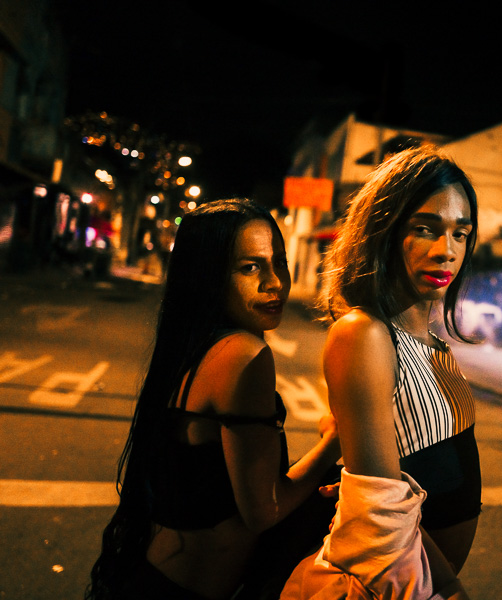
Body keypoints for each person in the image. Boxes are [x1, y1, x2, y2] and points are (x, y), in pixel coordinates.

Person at [85, 198, 342, 600]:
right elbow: (264, 509)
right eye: (250, 267)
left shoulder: (193, 344)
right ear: (207, 277)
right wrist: (334, 442)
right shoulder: (243, 355)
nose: (274, 282)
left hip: (154, 578)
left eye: (280, 262)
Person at [281, 146, 480, 599]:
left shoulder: (433, 342)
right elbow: (381, 514)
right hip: (397, 583)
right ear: (384, 232)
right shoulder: (364, 334)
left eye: (460, 234)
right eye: (424, 229)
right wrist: (452, 591)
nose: (445, 251)